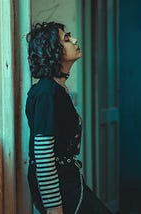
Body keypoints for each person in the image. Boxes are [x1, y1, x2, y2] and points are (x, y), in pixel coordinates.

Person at [25, 22, 112, 214]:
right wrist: (54, 208)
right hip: (58, 186)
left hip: (68, 178)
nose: (75, 40)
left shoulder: (56, 89)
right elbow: (42, 153)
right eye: (66, 39)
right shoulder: (47, 92)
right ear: (53, 51)